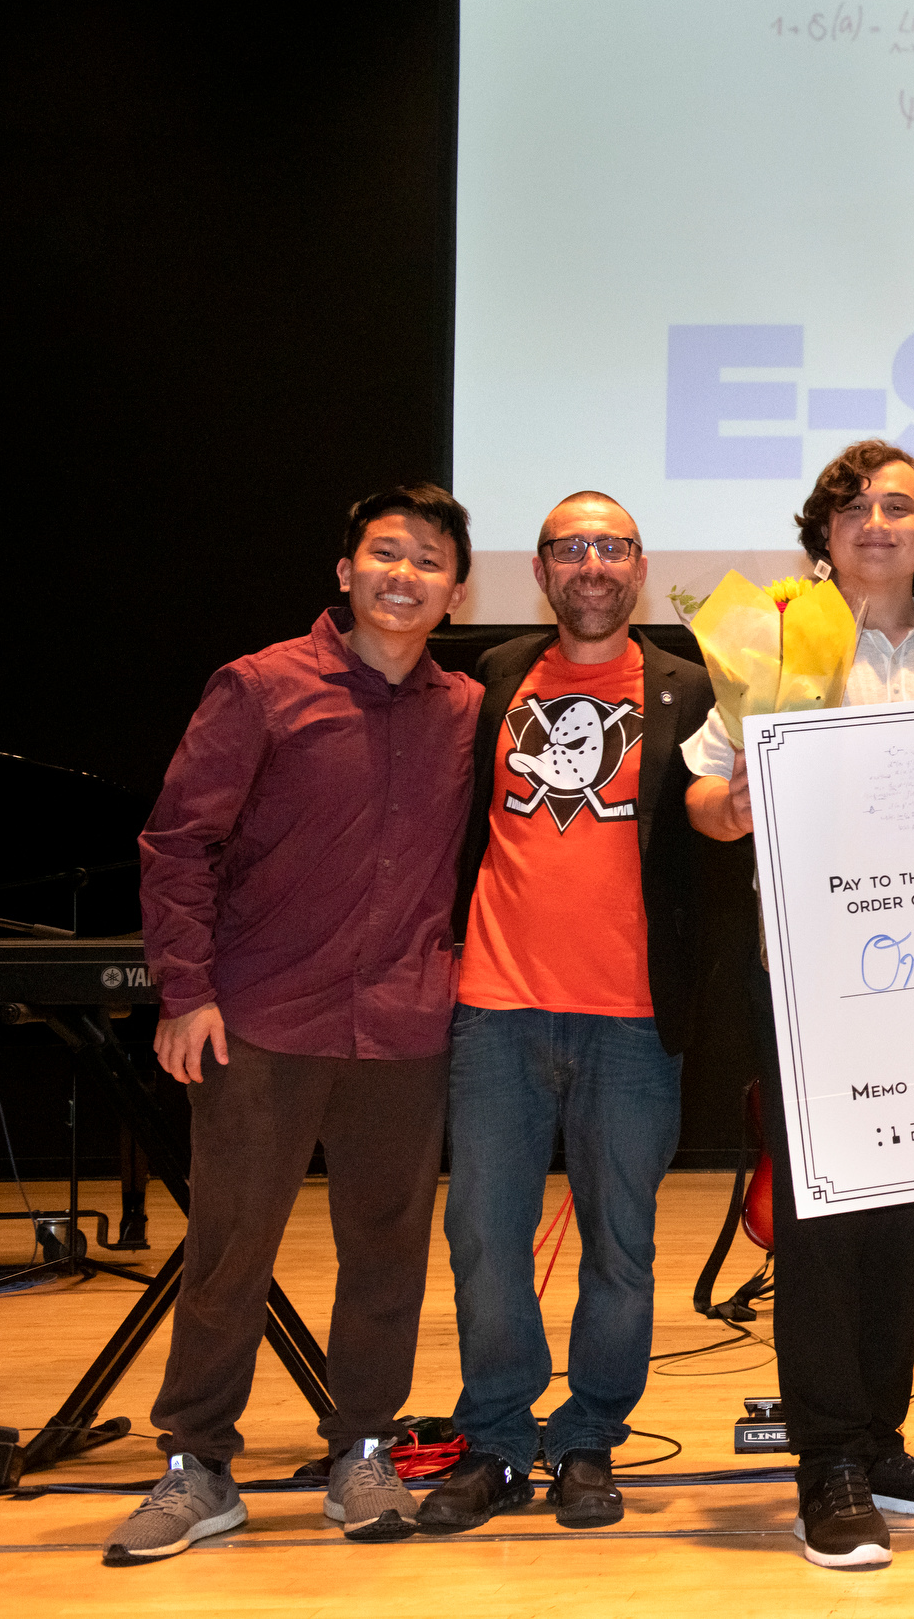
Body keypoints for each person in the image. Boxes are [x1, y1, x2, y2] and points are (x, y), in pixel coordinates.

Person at [109, 485, 481, 1564]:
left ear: (456, 593)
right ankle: (196, 1464)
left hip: (405, 1026)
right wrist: (186, 991)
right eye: (385, 553)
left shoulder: (462, 711)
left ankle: (360, 1447)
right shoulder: (262, 687)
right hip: (262, 1020)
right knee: (230, 1250)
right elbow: (177, 843)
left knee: (385, 1253)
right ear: (346, 568)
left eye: (427, 562)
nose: (403, 575)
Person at [684, 438, 914, 1571]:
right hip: (815, 980)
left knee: (902, 1222)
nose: (879, 523)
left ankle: (879, 1439)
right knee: (822, 1230)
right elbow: (700, 786)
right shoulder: (770, 643)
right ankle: (824, 1462)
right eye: (856, 506)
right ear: (822, 530)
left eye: (901, 507)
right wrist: (725, 807)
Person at [418, 493, 716, 1534]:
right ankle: (498, 1439)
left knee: (621, 1247)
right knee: (483, 1239)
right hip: (495, 1009)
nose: (592, 563)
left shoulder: (695, 687)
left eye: (612, 546)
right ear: (541, 569)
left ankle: (588, 1436)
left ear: (640, 566)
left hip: (633, 1019)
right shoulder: (492, 678)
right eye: (570, 547)